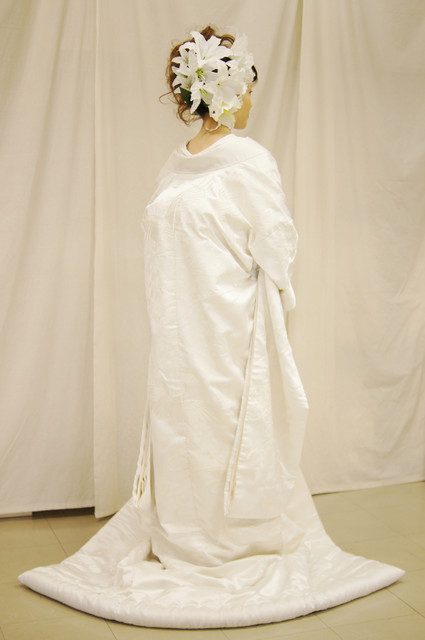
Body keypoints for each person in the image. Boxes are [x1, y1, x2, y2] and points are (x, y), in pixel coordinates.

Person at [18, 26, 404, 629]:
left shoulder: (218, 165)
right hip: (189, 329)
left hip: (216, 327)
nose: (251, 101)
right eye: (246, 88)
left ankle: (221, 539)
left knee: (215, 424)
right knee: (190, 425)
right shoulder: (212, 163)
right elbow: (275, 243)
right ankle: (193, 536)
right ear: (223, 91)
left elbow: (258, 243)